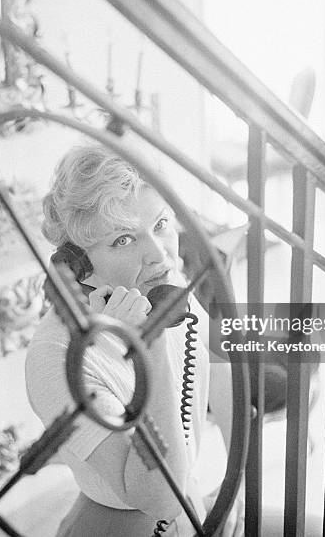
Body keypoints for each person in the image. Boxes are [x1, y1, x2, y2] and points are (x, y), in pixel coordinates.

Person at [25, 143, 240, 536]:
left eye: (160, 225)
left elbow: (225, 369)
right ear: (78, 264)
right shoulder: (55, 358)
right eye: (123, 239)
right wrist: (148, 346)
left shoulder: (163, 287)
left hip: (191, 509)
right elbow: (158, 497)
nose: (159, 256)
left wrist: (236, 486)